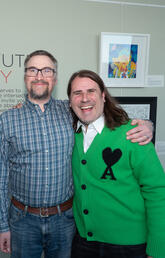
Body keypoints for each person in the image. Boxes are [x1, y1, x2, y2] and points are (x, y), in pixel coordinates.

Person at [0, 50, 153, 258]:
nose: (39, 76)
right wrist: (2, 226)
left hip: (65, 220)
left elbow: (104, 113)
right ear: (25, 76)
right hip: (22, 221)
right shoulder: (7, 120)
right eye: (32, 70)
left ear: (54, 77)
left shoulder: (70, 111)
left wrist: (146, 124)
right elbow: (1, 177)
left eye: (46, 70)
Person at [67, 69, 165, 258]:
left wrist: (158, 248)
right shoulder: (70, 135)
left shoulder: (133, 135)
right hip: (83, 243)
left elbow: (157, 192)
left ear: (103, 96)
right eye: (77, 93)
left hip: (129, 246)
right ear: (70, 101)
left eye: (91, 91)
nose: (84, 98)